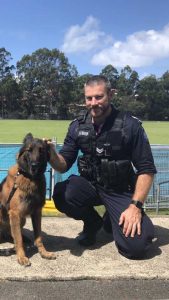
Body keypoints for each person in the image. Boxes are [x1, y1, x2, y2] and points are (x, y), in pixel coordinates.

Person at [48, 75, 157, 259]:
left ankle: (111, 219)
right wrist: (50, 153)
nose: (93, 103)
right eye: (88, 98)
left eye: (99, 97)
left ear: (110, 95)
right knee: (62, 193)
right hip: (90, 186)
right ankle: (92, 223)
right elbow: (63, 164)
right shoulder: (77, 126)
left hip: (120, 191)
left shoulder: (130, 126)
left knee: (136, 247)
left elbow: (146, 169)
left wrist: (135, 207)